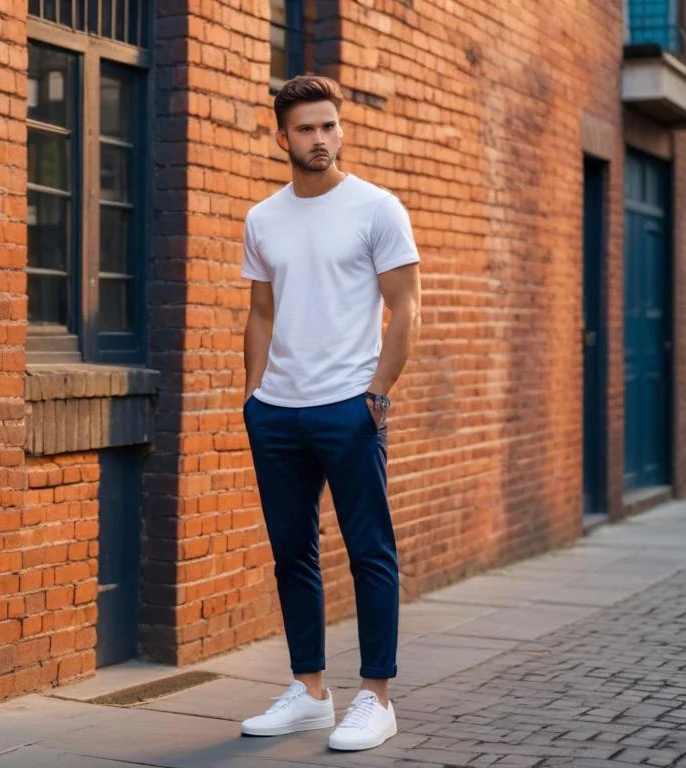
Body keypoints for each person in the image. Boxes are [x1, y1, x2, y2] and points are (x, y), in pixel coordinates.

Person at [238, 74, 422, 752]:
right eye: (307, 129)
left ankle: (377, 697)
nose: (321, 139)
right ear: (281, 135)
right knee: (292, 554)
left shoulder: (376, 208)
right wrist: (253, 396)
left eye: (329, 126)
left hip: (349, 406)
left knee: (371, 550)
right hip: (278, 414)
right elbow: (259, 312)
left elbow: (406, 307)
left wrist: (377, 392)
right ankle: (311, 691)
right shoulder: (263, 218)